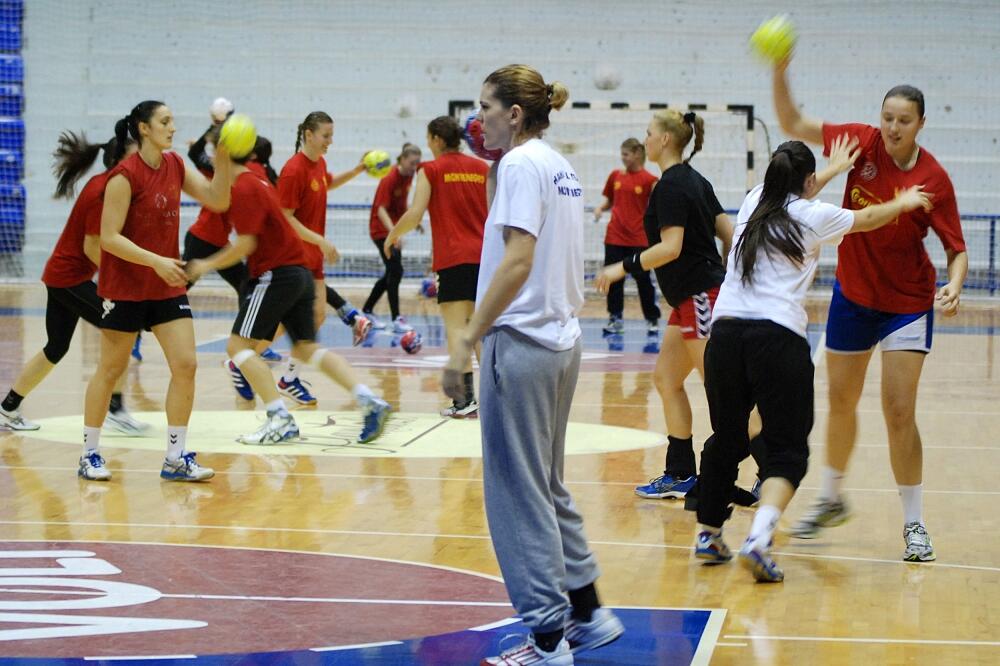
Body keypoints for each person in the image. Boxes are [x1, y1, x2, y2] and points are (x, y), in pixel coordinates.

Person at [443, 64, 622, 666]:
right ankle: (590, 614)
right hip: (561, 341)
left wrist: (468, 337)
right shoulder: (558, 164)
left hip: (519, 344)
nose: (479, 118)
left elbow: (517, 260)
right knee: (547, 486)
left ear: (514, 114)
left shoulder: (519, 165)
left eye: (487, 107)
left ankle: (547, 639)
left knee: (516, 496)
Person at [693, 139, 932, 582]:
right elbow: (867, 218)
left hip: (724, 336)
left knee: (727, 438)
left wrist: (832, 171)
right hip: (776, 337)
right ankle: (759, 540)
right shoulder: (815, 215)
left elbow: (792, 189)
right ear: (806, 181)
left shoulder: (752, 202)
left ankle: (708, 533)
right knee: (787, 453)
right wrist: (903, 200)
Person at [773, 58, 967, 562]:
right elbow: (794, 124)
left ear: (921, 123)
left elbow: (957, 248)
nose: (893, 127)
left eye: (903, 119)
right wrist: (779, 69)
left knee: (899, 410)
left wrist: (956, 283)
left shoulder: (935, 179)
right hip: (853, 295)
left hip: (905, 303)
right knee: (840, 401)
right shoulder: (861, 142)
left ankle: (915, 523)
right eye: (887, 117)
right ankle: (832, 497)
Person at [185, 150, 391, 445]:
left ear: (222, 155)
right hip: (299, 272)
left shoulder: (242, 186)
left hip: (275, 274)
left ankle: (279, 418)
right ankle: (370, 401)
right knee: (307, 348)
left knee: (238, 347)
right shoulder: (257, 179)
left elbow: (245, 243)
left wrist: (205, 264)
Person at [78, 100, 232, 482]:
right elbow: (109, 238)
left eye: (173, 120)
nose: (172, 127)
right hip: (126, 288)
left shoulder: (177, 165)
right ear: (143, 128)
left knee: (186, 365)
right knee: (111, 370)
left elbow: (218, 199)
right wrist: (157, 261)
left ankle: (175, 457)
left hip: (165, 288)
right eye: (165, 121)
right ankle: (89, 454)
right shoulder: (123, 177)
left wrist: (224, 157)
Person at [595, 109, 732, 502]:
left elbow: (670, 249)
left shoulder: (672, 185)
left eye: (650, 132)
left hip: (700, 296)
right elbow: (729, 232)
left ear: (666, 140)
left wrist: (623, 266)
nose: (647, 138)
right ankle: (680, 473)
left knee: (722, 391)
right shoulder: (694, 180)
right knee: (666, 379)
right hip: (689, 299)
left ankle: (761, 470)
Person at [0, 132, 148, 436]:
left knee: (55, 348)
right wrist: (114, 284)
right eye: (137, 153)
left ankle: (8, 407)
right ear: (123, 157)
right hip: (70, 278)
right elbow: (92, 245)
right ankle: (115, 409)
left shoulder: (112, 185)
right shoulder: (105, 189)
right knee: (122, 329)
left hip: (61, 276)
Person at [386, 115, 488, 418]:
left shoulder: (430, 170)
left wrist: (392, 234)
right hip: (485, 258)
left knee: (457, 330)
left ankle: (464, 400)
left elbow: (415, 214)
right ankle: (495, 399)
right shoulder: (481, 168)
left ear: (436, 140)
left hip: (453, 258)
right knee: (481, 331)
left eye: (429, 138)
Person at [276, 111, 372, 406]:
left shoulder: (319, 165)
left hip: (312, 256)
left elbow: (326, 183)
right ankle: (243, 355)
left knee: (315, 316)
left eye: (331, 135)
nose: (330, 141)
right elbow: (285, 217)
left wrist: (357, 170)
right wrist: (320, 240)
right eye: (326, 136)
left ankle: (288, 378)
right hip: (294, 255)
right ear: (308, 134)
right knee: (291, 321)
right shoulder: (293, 170)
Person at [592, 138, 660, 335]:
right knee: (612, 280)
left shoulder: (650, 180)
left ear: (637, 154)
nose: (622, 158)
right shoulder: (615, 176)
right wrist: (599, 208)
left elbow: (656, 208)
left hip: (639, 239)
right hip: (614, 237)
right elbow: (609, 201)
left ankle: (652, 319)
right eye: (622, 154)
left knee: (643, 280)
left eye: (626, 154)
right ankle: (615, 319)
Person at [361, 143, 422, 333]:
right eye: (412, 163)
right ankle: (396, 318)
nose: (415, 167)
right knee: (396, 271)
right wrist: (394, 233)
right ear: (402, 159)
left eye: (417, 163)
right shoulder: (390, 177)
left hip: (393, 230)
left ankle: (367, 310)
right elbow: (380, 210)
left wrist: (413, 222)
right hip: (381, 230)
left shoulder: (409, 176)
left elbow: (401, 204)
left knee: (392, 272)